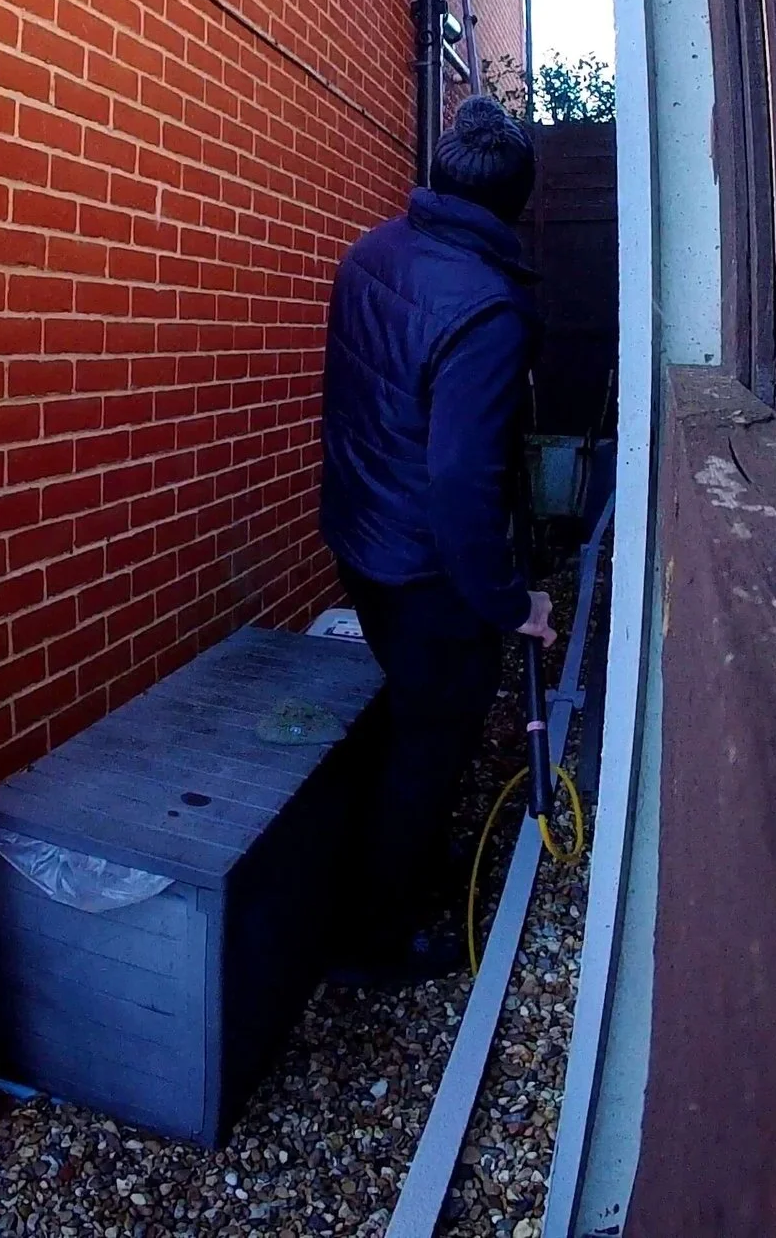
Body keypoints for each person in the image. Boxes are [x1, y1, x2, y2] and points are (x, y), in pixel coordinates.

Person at [319, 94, 557, 986]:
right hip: (426, 569)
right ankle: (372, 940)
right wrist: (511, 602)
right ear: (517, 204)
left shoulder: (369, 251)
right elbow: (462, 481)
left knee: (410, 718)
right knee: (434, 735)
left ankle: (399, 867)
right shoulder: (489, 311)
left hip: (358, 538)